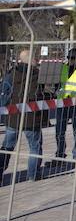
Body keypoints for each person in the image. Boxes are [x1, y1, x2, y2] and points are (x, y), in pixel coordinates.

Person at [0, 49, 50, 182]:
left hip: (13, 117)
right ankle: (33, 175)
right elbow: (47, 93)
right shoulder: (39, 75)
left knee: (7, 147)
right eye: (35, 57)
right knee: (35, 146)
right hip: (32, 118)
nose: (37, 60)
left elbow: (4, 93)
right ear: (31, 59)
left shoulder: (11, 74)